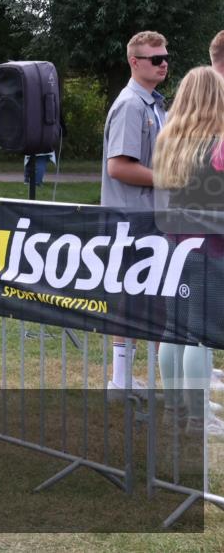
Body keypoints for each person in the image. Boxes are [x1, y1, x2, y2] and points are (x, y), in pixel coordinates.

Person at [153, 66, 224, 436]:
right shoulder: (219, 142)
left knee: (174, 329)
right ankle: (199, 420)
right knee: (201, 333)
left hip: (174, 244)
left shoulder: (169, 138)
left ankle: (175, 410)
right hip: (211, 246)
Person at [101, 30, 169, 397]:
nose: (163, 64)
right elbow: (119, 167)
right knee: (131, 298)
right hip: (130, 219)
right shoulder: (130, 104)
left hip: (149, 218)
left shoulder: (154, 104)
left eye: (165, 57)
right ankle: (121, 380)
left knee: (155, 299)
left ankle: (140, 378)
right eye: (155, 59)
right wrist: (169, 179)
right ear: (134, 62)